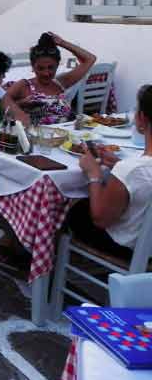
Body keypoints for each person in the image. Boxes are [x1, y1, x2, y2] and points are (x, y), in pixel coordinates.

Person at [73, 84, 152, 261]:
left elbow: (100, 219)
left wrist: (94, 175)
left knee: (70, 208)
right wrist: (119, 164)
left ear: (141, 118)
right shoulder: (131, 168)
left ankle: (44, 271)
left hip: (129, 249)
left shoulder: (133, 169)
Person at [5, 32, 97, 125]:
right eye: (40, 68)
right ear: (33, 67)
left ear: (57, 65)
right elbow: (1, 102)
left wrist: (62, 43)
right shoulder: (24, 85)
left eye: (51, 67)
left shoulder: (61, 82)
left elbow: (90, 59)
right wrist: (20, 105)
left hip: (67, 136)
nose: (46, 73)